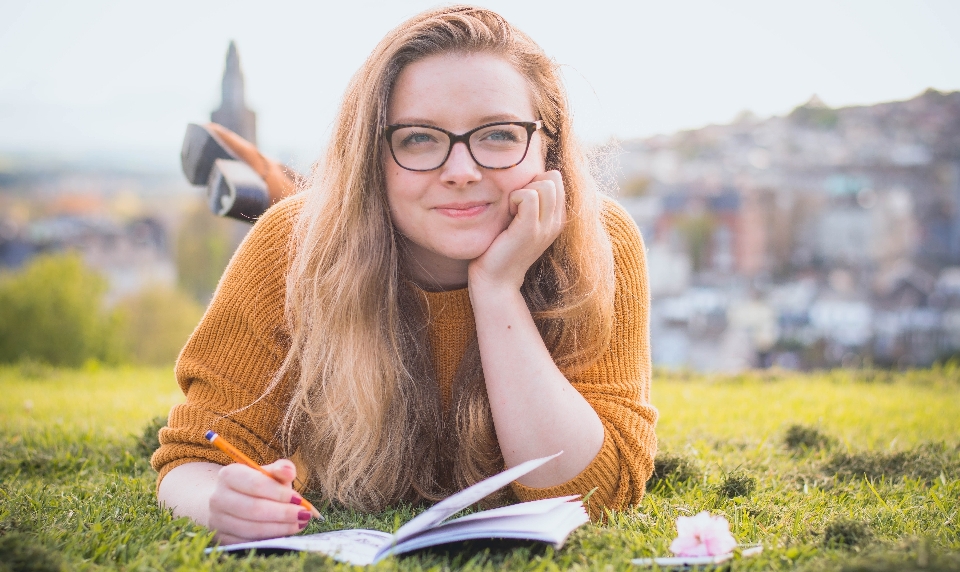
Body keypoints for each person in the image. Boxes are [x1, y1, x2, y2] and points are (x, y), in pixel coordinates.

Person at [153, 5, 658, 546]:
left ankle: (272, 174)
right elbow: (194, 457)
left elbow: (596, 492)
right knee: (314, 223)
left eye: (499, 135)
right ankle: (277, 181)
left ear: (548, 145)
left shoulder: (599, 242)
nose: (462, 172)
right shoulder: (290, 246)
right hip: (334, 228)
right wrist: (220, 501)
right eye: (418, 138)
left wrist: (496, 290)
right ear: (373, 152)